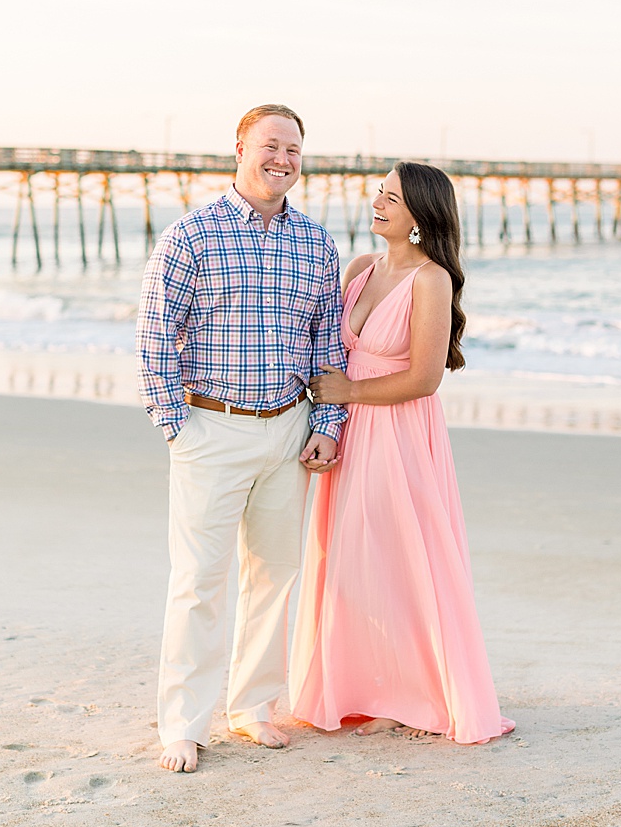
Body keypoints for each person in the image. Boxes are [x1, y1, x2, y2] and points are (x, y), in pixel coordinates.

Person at [137, 104, 347, 774]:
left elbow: (326, 341)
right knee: (199, 581)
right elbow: (153, 336)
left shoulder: (316, 244)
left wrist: (325, 422)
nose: (281, 160)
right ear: (240, 147)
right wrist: (175, 424)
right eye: (270, 146)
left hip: (287, 429)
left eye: (293, 149)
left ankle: (253, 708)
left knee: (274, 576)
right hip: (210, 427)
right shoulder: (190, 236)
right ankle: (184, 723)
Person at [291, 162, 514, 744]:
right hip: (349, 428)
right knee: (348, 561)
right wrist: (328, 417)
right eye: (379, 193)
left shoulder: (431, 279)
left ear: (421, 214)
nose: (378, 202)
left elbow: (424, 378)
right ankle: (363, 686)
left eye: (392, 197)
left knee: (399, 559)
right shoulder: (362, 268)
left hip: (398, 433)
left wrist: (351, 392)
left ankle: (412, 694)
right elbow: (329, 351)